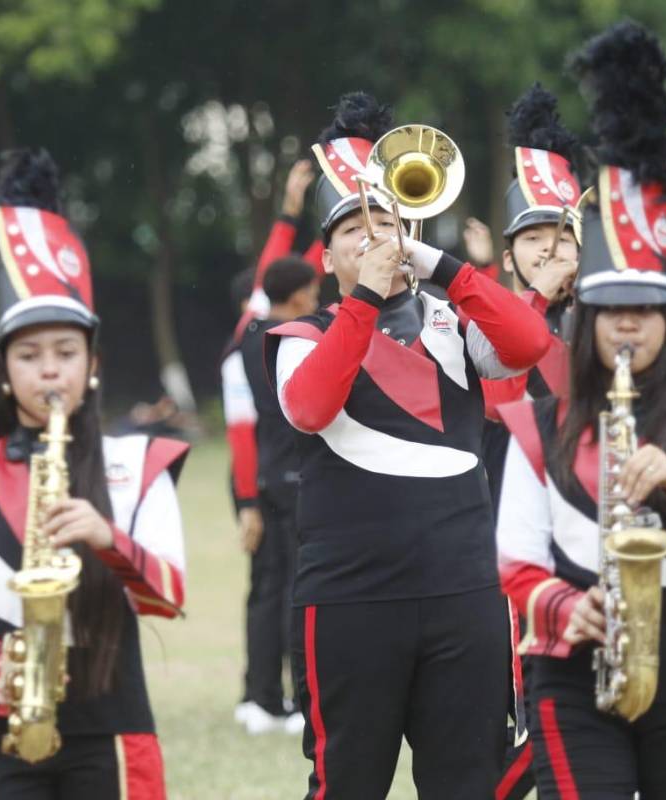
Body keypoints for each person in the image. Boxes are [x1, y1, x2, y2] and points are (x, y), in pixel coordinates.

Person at [495, 23, 666, 799]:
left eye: (645, 309)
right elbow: (514, 560)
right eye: (611, 309)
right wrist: (562, 606)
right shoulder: (537, 426)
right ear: (586, 320)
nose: (627, 324)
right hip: (570, 664)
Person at [265, 91, 551, 799]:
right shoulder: (301, 338)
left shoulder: (455, 323)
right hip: (350, 601)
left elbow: (528, 343)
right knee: (347, 783)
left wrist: (442, 266)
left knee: (468, 782)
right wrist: (364, 298)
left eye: (387, 221)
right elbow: (310, 408)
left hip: (464, 592)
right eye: (351, 228)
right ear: (325, 255)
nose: (372, 235)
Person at [0, 149, 186, 799]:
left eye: (66, 352)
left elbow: (169, 596)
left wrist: (105, 537)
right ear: (5, 372)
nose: (48, 371)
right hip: (2, 718)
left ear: (92, 365)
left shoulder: (139, 464)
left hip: (114, 723)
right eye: (29, 355)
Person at [477, 82, 584, 800]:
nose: (551, 252)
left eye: (563, 238)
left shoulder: (613, 317)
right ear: (510, 256)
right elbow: (497, 400)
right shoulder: (497, 317)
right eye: (534, 241)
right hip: (519, 542)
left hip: (600, 530)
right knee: (531, 716)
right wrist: (539, 300)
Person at [235, 257, 321, 735]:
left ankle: (262, 695)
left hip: (265, 476)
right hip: (297, 475)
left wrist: (246, 498)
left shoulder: (246, 338)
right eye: (314, 292)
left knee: (267, 589)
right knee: (298, 590)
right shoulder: (296, 338)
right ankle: (299, 697)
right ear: (300, 295)